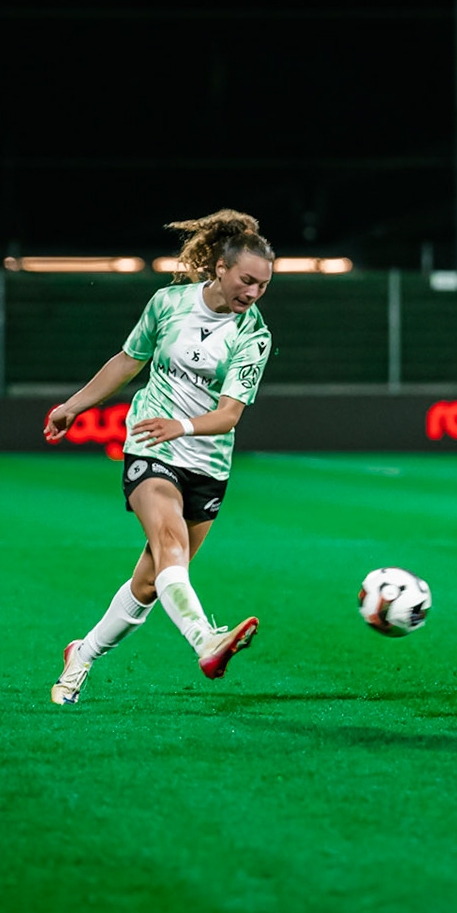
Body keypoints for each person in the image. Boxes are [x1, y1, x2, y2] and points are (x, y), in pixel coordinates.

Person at [41, 209, 276, 704]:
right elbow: (129, 361)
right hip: (152, 444)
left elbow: (229, 415)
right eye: (246, 280)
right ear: (220, 269)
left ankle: (81, 654)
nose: (253, 293)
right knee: (171, 546)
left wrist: (185, 425)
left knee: (150, 582)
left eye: (263, 285)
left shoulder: (254, 336)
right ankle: (206, 641)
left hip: (208, 464)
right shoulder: (168, 304)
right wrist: (73, 406)